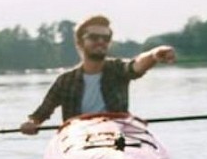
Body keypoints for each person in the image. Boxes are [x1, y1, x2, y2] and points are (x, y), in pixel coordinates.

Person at [19, 14, 177, 134]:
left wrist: (155, 54)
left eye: (106, 38)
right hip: (78, 137)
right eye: (94, 37)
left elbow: (136, 65)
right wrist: (32, 123)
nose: (101, 41)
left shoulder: (117, 69)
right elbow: (41, 114)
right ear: (80, 43)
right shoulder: (65, 81)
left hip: (117, 134)